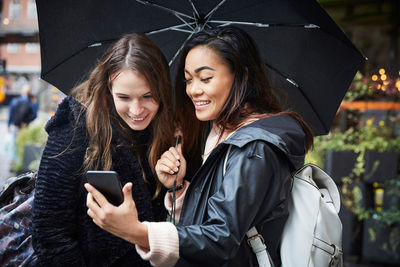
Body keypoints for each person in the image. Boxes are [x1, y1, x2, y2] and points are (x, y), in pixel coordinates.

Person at [85, 26, 314, 267]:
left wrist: (137, 231)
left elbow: (220, 239)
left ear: (242, 76)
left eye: (205, 78)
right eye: (188, 79)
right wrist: (180, 189)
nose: (193, 90)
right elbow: (220, 217)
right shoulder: (223, 132)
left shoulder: (255, 149)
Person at [32, 33, 175, 266]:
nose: (137, 109)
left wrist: (175, 186)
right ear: (108, 87)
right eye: (124, 97)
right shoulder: (74, 127)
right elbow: (49, 231)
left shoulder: (166, 130)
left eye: (148, 96)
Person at [7, 84, 38, 161]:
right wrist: (27, 122)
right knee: (24, 144)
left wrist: (8, 125)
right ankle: (22, 161)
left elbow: (10, 114)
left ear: (22, 92)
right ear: (30, 92)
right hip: (25, 127)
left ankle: (13, 161)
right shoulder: (32, 102)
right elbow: (34, 115)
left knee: (15, 144)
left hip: (15, 126)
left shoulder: (14, 101)